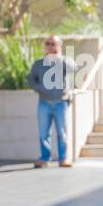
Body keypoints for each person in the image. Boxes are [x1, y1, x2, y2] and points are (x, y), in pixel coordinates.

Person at [28, 35, 76, 168]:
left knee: (62, 133)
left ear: (59, 46)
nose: (50, 46)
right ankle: (45, 158)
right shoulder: (39, 64)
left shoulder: (66, 61)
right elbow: (31, 80)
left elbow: (74, 69)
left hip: (61, 102)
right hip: (44, 103)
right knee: (44, 133)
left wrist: (59, 58)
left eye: (53, 44)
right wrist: (41, 89)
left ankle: (63, 159)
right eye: (48, 44)